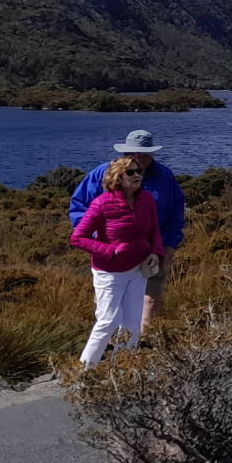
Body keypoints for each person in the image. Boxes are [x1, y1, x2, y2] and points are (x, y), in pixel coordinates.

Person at [69, 129, 186, 333]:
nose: (138, 157)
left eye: (143, 153)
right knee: (109, 304)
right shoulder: (104, 173)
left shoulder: (164, 176)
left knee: (150, 300)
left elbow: (175, 211)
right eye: (133, 153)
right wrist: (100, 241)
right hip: (114, 255)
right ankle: (109, 345)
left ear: (152, 153)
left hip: (153, 251)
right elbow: (80, 205)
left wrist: (169, 245)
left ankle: (141, 346)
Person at [71, 155, 165, 365]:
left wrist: (155, 253)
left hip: (138, 269)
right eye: (130, 172)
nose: (137, 175)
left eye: (139, 171)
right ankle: (84, 371)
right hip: (109, 272)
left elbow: (155, 232)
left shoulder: (147, 199)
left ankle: (123, 369)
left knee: (132, 323)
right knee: (108, 321)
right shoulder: (102, 204)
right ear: (117, 177)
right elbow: (77, 238)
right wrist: (112, 251)